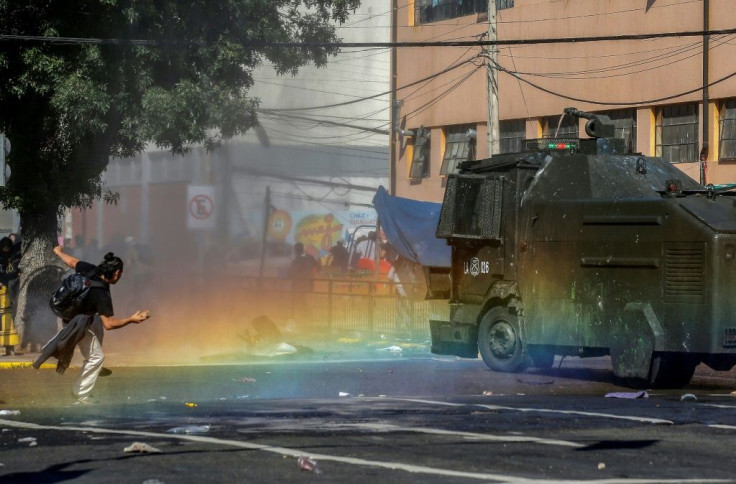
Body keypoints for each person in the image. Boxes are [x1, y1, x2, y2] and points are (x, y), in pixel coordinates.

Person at [34, 246, 151, 404]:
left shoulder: (91, 269)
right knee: (97, 357)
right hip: (78, 322)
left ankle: (93, 367)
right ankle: (81, 394)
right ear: (116, 273)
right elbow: (109, 324)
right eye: (120, 274)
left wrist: (58, 252)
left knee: (96, 322)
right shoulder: (101, 293)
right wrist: (131, 319)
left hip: (72, 313)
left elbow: (73, 262)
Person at [289, 242, 320, 323]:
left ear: (296, 250)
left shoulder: (297, 260)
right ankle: (307, 317)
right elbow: (319, 267)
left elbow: (292, 272)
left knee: (299, 300)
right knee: (302, 300)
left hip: (299, 285)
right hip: (308, 283)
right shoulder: (309, 257)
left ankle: (305, 317)